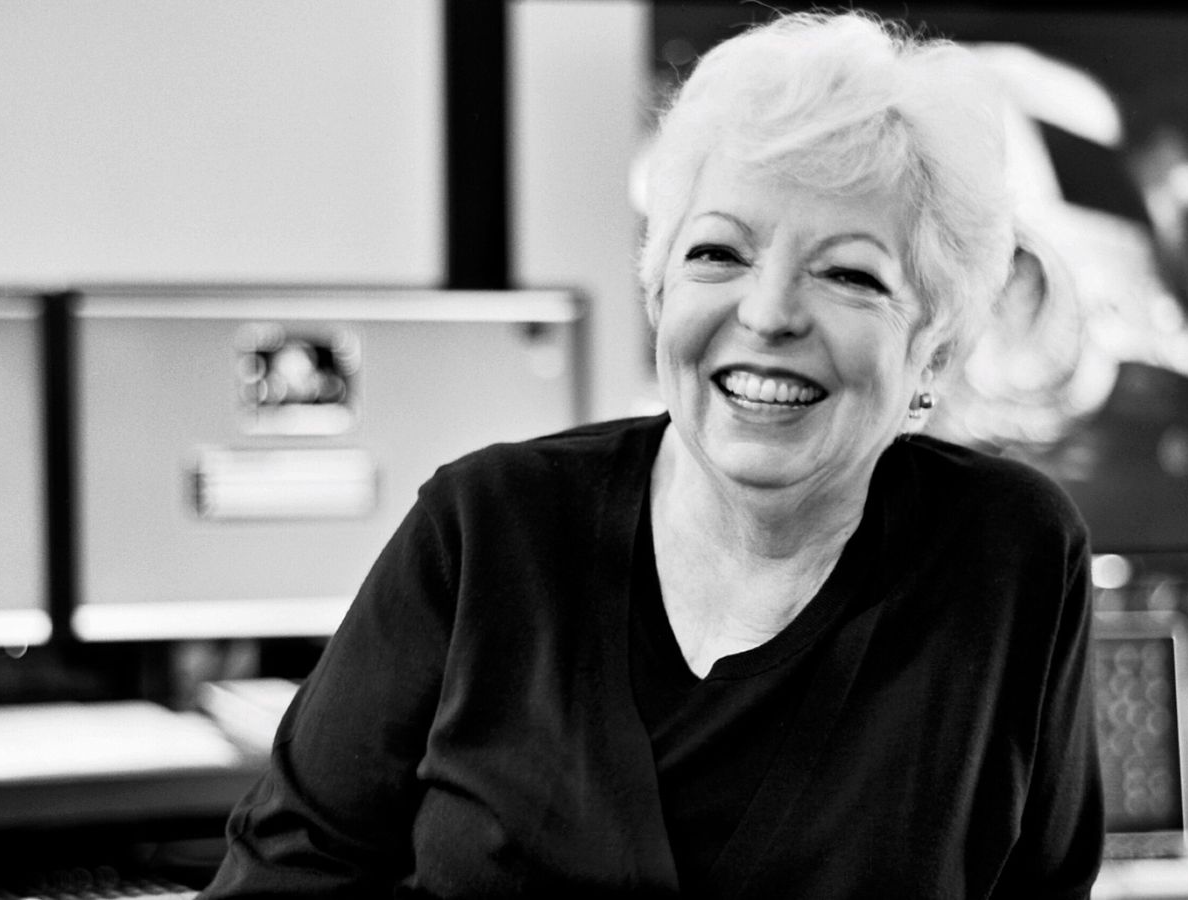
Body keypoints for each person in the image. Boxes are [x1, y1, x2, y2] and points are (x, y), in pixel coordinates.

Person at [200, 10, 1102, 898]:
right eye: (719, 254)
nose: (768, 313)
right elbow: (284, 874)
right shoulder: (486, 528)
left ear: (933, 353)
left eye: (849, 273)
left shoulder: (1010, 555)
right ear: (659, 289)